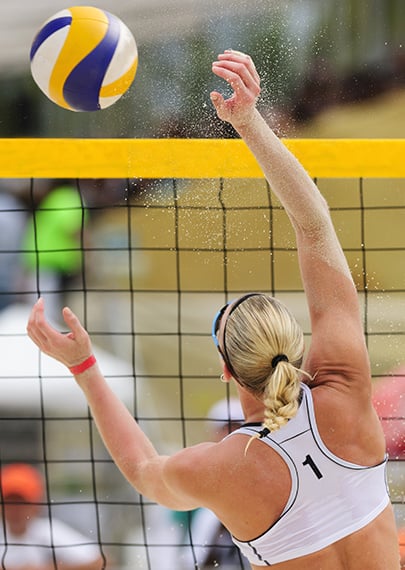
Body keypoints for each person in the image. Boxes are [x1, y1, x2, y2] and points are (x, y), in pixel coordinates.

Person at [26, 50, 400, 569]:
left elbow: (142, 468)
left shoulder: (221, 467)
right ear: (291, 346)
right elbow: (314, 222)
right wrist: (249, 121)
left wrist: (84, 367)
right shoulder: (343, 388)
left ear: (226, 372)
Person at [0, 463, 104, 569]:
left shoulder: (48, 531)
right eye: (9, 503)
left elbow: (101, 561)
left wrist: (45, 568)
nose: (15, 509)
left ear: (36, 505)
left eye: (22, 503)